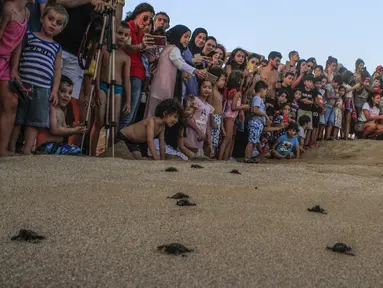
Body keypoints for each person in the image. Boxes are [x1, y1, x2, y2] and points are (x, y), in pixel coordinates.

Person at [54, 0, 119, 145]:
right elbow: (59, 2)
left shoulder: (102, 6)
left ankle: (65, 144)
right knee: (50, 93)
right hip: (58, 46)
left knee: (69, 101)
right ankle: (40, 140)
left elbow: (108, 33)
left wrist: (110, 11)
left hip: (77, 56)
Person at [9, 5, 69, 155]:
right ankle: (10, 147)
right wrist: (14, 69)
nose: (53, 24)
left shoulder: (57, 47)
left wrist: (54, 90)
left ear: (62, 29)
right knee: (18, 118)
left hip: (43, 88)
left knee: (34, 121)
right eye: (50, 19)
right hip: (23, 84)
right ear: (42, 18)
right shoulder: (29, 36)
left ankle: (28, 149)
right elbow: (18, 52)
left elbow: (57, 71)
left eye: (59, 23)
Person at [144, 24, 207, 118]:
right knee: (159, 116)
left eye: (189, 37)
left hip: (158, 86)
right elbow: (180, 63)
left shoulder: (167, 47)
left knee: (152, 114)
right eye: (185, 36)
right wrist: (196, 71)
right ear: (178, 35)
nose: (187, 40)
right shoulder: (174, 49)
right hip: (164, 88)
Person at [89, 21, 131, 156]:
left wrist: (128, 101)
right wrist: (95, 90)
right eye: (119, 33)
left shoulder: (126, 57)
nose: (122, 37)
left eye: (125, 35)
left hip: (117, 89)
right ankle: (91, 152)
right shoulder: (104, 50)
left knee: (114, 122)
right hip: (102, 85)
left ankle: (108, 152)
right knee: (99, 120)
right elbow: (97, 71)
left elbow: (127, 80)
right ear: (112, 33)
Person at [0, 0, 30, 157]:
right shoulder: (7, 9)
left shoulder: (26, 13)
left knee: (11, 102)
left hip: (6, 62)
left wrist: (14, 68)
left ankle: (2, 148)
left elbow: (18, 44)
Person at [121, 3, 155, 128]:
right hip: (131, 73)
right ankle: (115, 144)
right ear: (136, 15)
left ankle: (120, 143)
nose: (147, 22)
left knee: (131, 117)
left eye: (150, 20)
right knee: (126, 115)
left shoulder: (141, 33)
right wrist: (141, 46)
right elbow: (126, 47)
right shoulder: (128, 27)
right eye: (145, 18)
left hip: (139, 75)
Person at [35, 75, 87, 155]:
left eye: (70, 93)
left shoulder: (61, 112)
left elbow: (64, 130)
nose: (67, 95)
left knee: (77, 150)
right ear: (54, 91)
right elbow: (55, 129)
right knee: (76, 151)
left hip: (57, 145)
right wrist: (74, 130)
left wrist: (75, 128)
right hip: (46, 145)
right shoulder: (52, 108)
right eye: (63, 91)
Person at [118, 99, 182, 160]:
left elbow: (162, 145)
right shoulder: (151, 121)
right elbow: (150, 141)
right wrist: (157, 160)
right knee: (123, 154)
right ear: (165, 113)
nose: (176, 120)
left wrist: (162, 160)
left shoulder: (162, 127)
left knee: (138, 157)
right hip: (122, 137)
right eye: (175, 117)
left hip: (133, 142)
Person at [218, 70, 249, 160]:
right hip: (229, 116)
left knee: (229, 138)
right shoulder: (237, 93)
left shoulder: (231, 91)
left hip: (228, 116)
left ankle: (225, 158)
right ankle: (221, 158)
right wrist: (244, 106)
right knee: (227, 139)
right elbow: (234, 107)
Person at [184, 80, 214, 156]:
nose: (207, 89)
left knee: (197, 155)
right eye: (204, 87)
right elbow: (188, 118)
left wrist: (209, 139)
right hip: (192, 132)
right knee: (190, 152)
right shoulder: (195, 100)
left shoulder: (209, 107)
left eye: (209, 88)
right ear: (199, 88)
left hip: (201, 136)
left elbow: (207, 124)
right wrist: (198, 131)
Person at [244, 80, 270, 163]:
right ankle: (247, 157)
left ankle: (250, 157)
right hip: (255, 122)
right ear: (262, 89)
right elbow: (255, 109)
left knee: (254, 141)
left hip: (258, 123)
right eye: (266, 90)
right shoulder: (257, 98)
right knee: (251, 141)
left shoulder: (258, 99)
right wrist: (265, 115)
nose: (266, 93)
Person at [208, 67, 227, 157]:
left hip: (218, 119)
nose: (224, 82)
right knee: (210, 140)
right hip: (213, 118)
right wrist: (211, 120)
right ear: (215, 79)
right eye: (222, 79)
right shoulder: (212, 92)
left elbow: (221, 112)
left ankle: (212, 155)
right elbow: (209, 107)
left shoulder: (219, 93)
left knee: (215, 141)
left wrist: (222, 127)